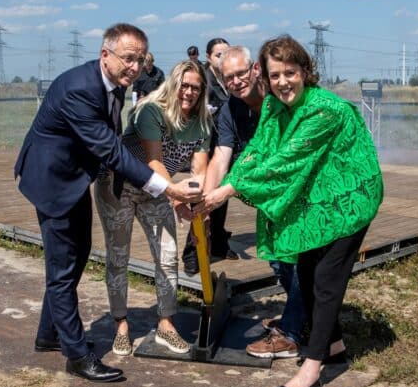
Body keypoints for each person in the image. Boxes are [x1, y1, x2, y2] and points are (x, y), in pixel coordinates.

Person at [197, 35, 383, 387]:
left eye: (290, 73)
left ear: (305, 71)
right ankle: (333, 348)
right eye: (276, 75)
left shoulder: (323, 110)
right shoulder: (273, 108)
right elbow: (258, 152)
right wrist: (217, 190)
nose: (283, 82)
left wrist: (227, 192)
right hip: (318, 198)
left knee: (326, 279)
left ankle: (311, 368)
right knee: (309, 272)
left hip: (350, 198)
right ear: (265, 77)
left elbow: (285, 161)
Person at [14, 23, 201, 383]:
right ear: (105, 54)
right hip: (53, 182)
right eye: (127, 59)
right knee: (62, 269)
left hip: (73, 179)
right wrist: (167, 188)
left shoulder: (113, 84)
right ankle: (77, 355)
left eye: (139, 60)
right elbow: (112, 149)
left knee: (77, 254)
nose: (134, 67)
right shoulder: (79, 89)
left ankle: (49, 334)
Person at [95, 60, 211, 356]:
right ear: (173, 84)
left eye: (195, 88)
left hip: (158, 189)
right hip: (120, 184)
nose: (188, 92)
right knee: (119, 255)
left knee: (168, 255)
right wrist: (177, 199)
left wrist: (197, 208)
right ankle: (121, 323)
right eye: (184, 85)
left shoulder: (203, 122)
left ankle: (165, 323)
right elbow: (154, 161)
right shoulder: (151, 110)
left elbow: (200, 171)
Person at [200, 45, 307, 358]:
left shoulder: (280, 99)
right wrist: (207, 202)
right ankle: (299, 316)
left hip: (300, 193)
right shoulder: (229, 111)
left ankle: (291, 331)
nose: (236, 81)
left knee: (297, 259)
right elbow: (221, 157)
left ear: (256, 70)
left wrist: (228, 190)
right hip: (268, 199)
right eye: (228, 77)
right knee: (277, 259)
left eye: (241, 73)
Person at [182, 37, 237, 274]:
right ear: (208, 56)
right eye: (218, 55)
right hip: (204, 147)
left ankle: (218, 243)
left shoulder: (229, 80)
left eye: (226, 54)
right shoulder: (204, 81)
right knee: (201, 198)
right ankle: (191, 254)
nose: (222, 59)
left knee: (220, 200)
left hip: (225, 147)